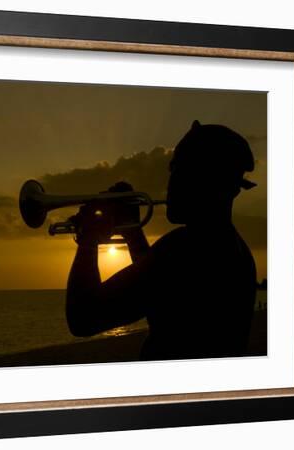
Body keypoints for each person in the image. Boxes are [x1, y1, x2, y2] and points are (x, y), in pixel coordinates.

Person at [65, 120, 257, 360]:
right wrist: (133, 232)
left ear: (206, 180)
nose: (171, 183)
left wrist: (88, 240)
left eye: (179, 170)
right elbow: (159, 293)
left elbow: (83, 318)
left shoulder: (184, 248)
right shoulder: (235, 249)